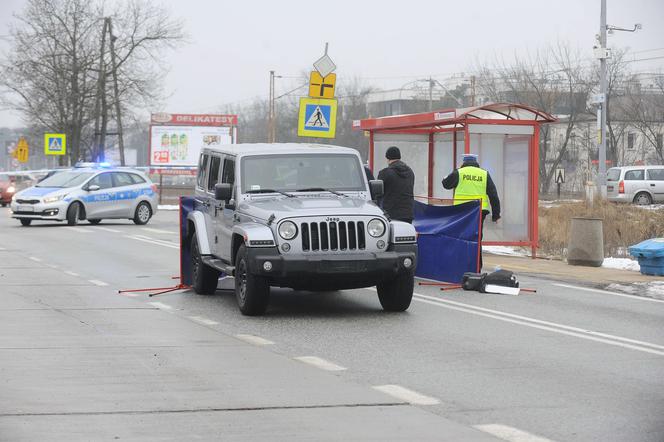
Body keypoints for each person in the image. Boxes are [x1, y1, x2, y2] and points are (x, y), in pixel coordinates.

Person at [442, 153, 500, 269]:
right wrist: (496, 214)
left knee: (460, 237)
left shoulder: (459, 172)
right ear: (476, 163)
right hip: (479, 211)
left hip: (461, 211)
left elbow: (446, 184)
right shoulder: (484, 174)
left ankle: (459, 265)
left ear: (464, 163)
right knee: (477, 237)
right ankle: (477, 266)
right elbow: (493, 194)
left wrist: (447, 176)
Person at [377, 146, 415, 223]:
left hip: (391, 214)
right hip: (408, 214)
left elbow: (377, 193)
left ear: (387, 158)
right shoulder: (410, 172)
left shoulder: (385, 173)